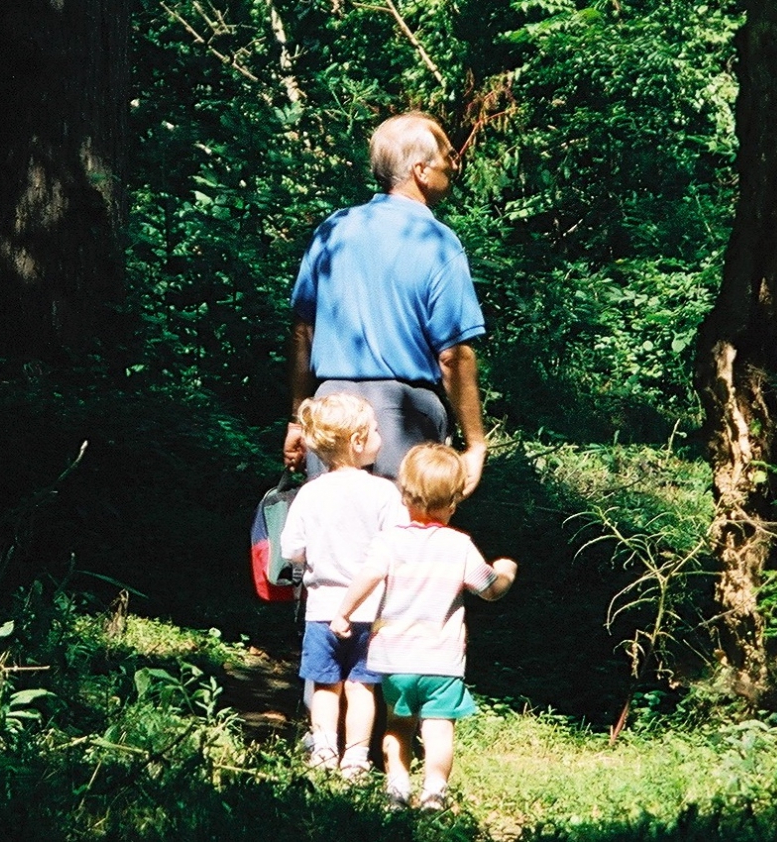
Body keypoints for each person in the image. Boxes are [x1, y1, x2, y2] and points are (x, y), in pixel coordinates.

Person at [283, 111, 488, 498]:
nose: (454, 163)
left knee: (331, 547)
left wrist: (298, 420)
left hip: (330, 418)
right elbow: (454, 356)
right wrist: (475, 444)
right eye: (447, 154)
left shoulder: (333, 231)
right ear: (421, 170)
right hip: (402, 420)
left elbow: (302, 334)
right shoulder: (437, 242)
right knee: (403, 545)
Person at [330, 443, 517, 809]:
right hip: (441, 663)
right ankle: (434, 790)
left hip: (394, 660)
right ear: (453, 503)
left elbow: (367, 576)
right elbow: (490, 590)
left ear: (404, 496)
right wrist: (506, 571)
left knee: (398, 725)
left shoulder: (389, 541)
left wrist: (343, 612)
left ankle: (397, 788)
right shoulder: (460, 545)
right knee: (437, 727)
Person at [279, 393, 407, 778]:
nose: (380, 435)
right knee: (361, 689)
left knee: (325, 687)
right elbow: (398, 547)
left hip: (322, 611)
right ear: (356, 441)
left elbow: (291, 549)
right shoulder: (385, 492)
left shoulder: (311, 492)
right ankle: (355, 758)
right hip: (372, 613)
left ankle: (323, 750)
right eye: (374, 429)